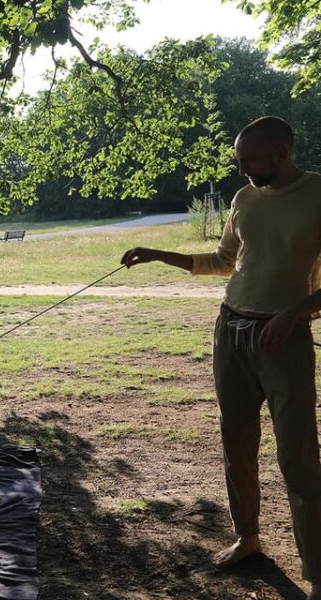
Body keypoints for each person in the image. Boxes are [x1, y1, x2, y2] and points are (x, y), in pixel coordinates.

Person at [121, 116, 321, 599]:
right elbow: (224, 261)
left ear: (279, 152)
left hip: (283, 339)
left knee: (298, 455)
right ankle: (248, 539)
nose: (243, 169)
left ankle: (316, 570)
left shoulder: (318, 195)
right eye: (239, 160)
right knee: (236, 441)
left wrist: (294, 313)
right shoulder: (244, 199)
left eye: (249, 159)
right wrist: (157, 254)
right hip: (230, 329)